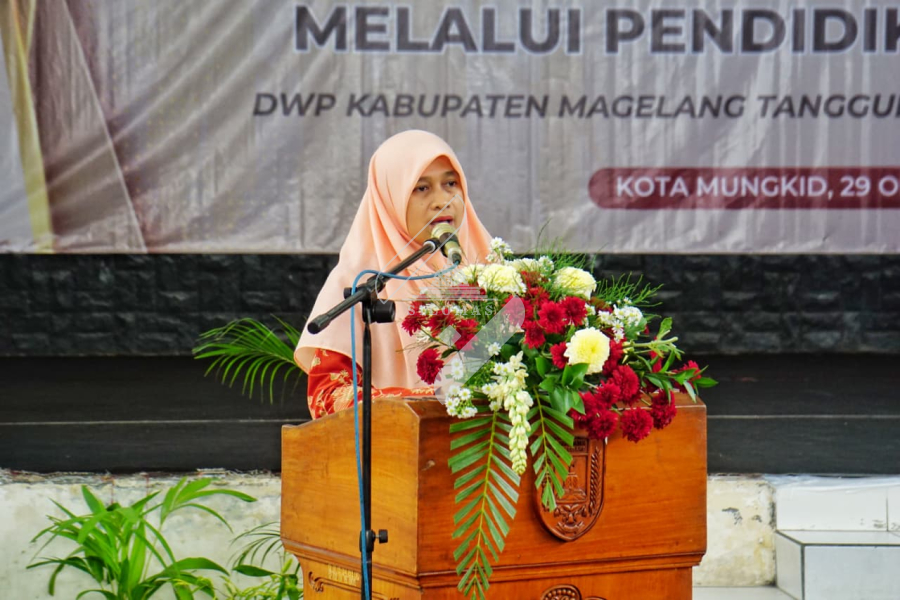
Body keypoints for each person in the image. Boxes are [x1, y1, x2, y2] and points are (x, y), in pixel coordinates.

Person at [294, 130, 494, 419]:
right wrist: (432, 401)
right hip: (395, 443)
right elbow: (328, 398)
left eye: (450, 184)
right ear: (390, 198)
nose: (442, 200)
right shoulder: (357, 282)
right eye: (421, 188)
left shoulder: (489, 270)